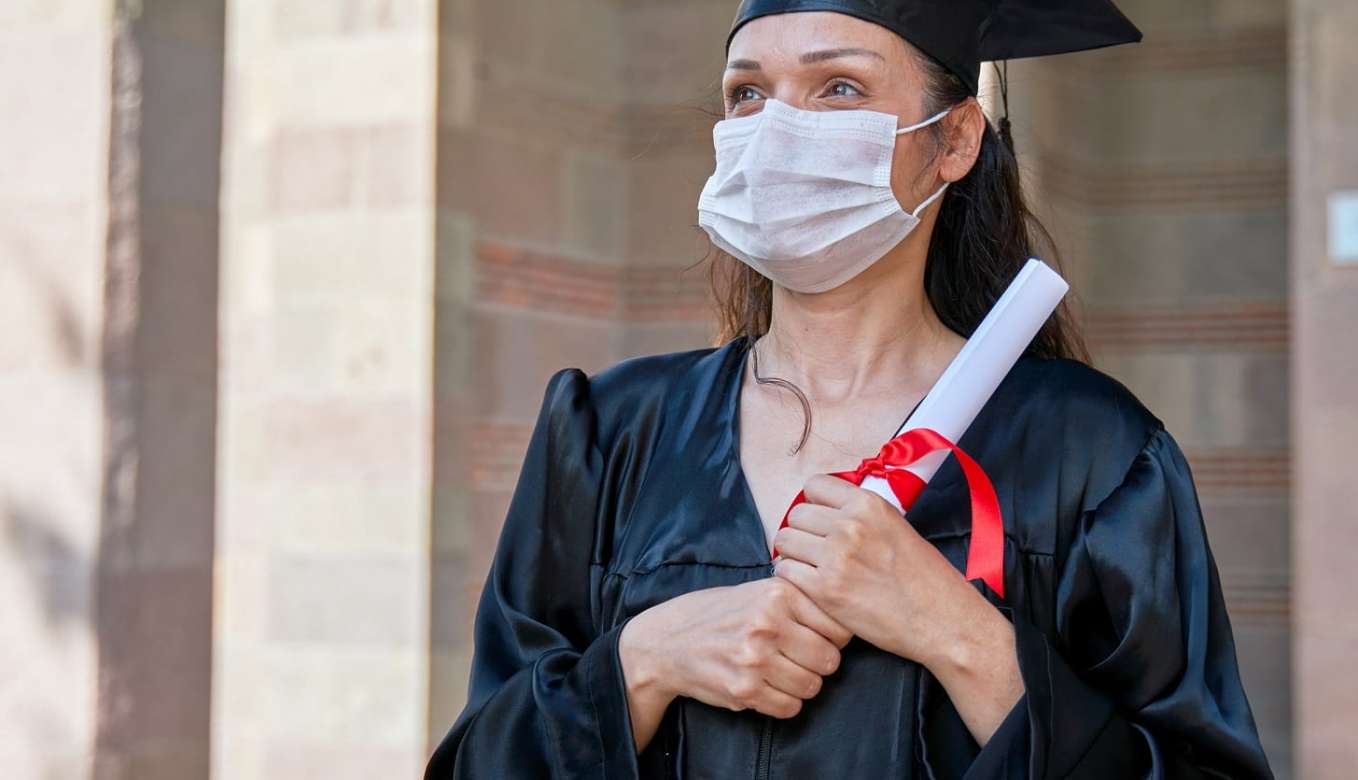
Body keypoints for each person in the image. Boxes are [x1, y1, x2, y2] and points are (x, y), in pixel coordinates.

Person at [425, 1, 1276, 777]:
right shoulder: (611, 432)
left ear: (955, 141)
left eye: (837, 87)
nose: (778, 128)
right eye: (748, 94)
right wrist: (644, 662)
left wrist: (961, 636)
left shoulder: (1091, 454)